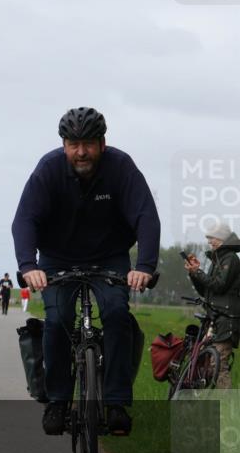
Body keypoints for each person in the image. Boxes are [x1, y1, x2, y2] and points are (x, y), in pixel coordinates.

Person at [12, 107, 159, 436]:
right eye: (74, 144)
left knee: (117, 313)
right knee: (58, 318)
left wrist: (145, 267)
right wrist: (29, 266)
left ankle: (117, 401)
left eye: (89, 144)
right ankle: (58, 401)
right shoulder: (48, 170)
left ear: (102, 144)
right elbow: (25, 220)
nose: (81, 152)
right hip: (56, 258)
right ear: (64, 145)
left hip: (109, 257)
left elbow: (145, 216)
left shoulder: (121, 168)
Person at [184, 222, 239, 390]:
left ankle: (228, 407)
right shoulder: (219, 259)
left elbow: (219, 286)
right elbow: (206, 290)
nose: (209, 242)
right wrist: (194, 273)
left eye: (212, 238)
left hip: (226, 319)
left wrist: (198, 273)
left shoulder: (230, 258)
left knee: (218, 364)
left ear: (222, 239)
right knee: (208, 363)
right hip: (216, 317)